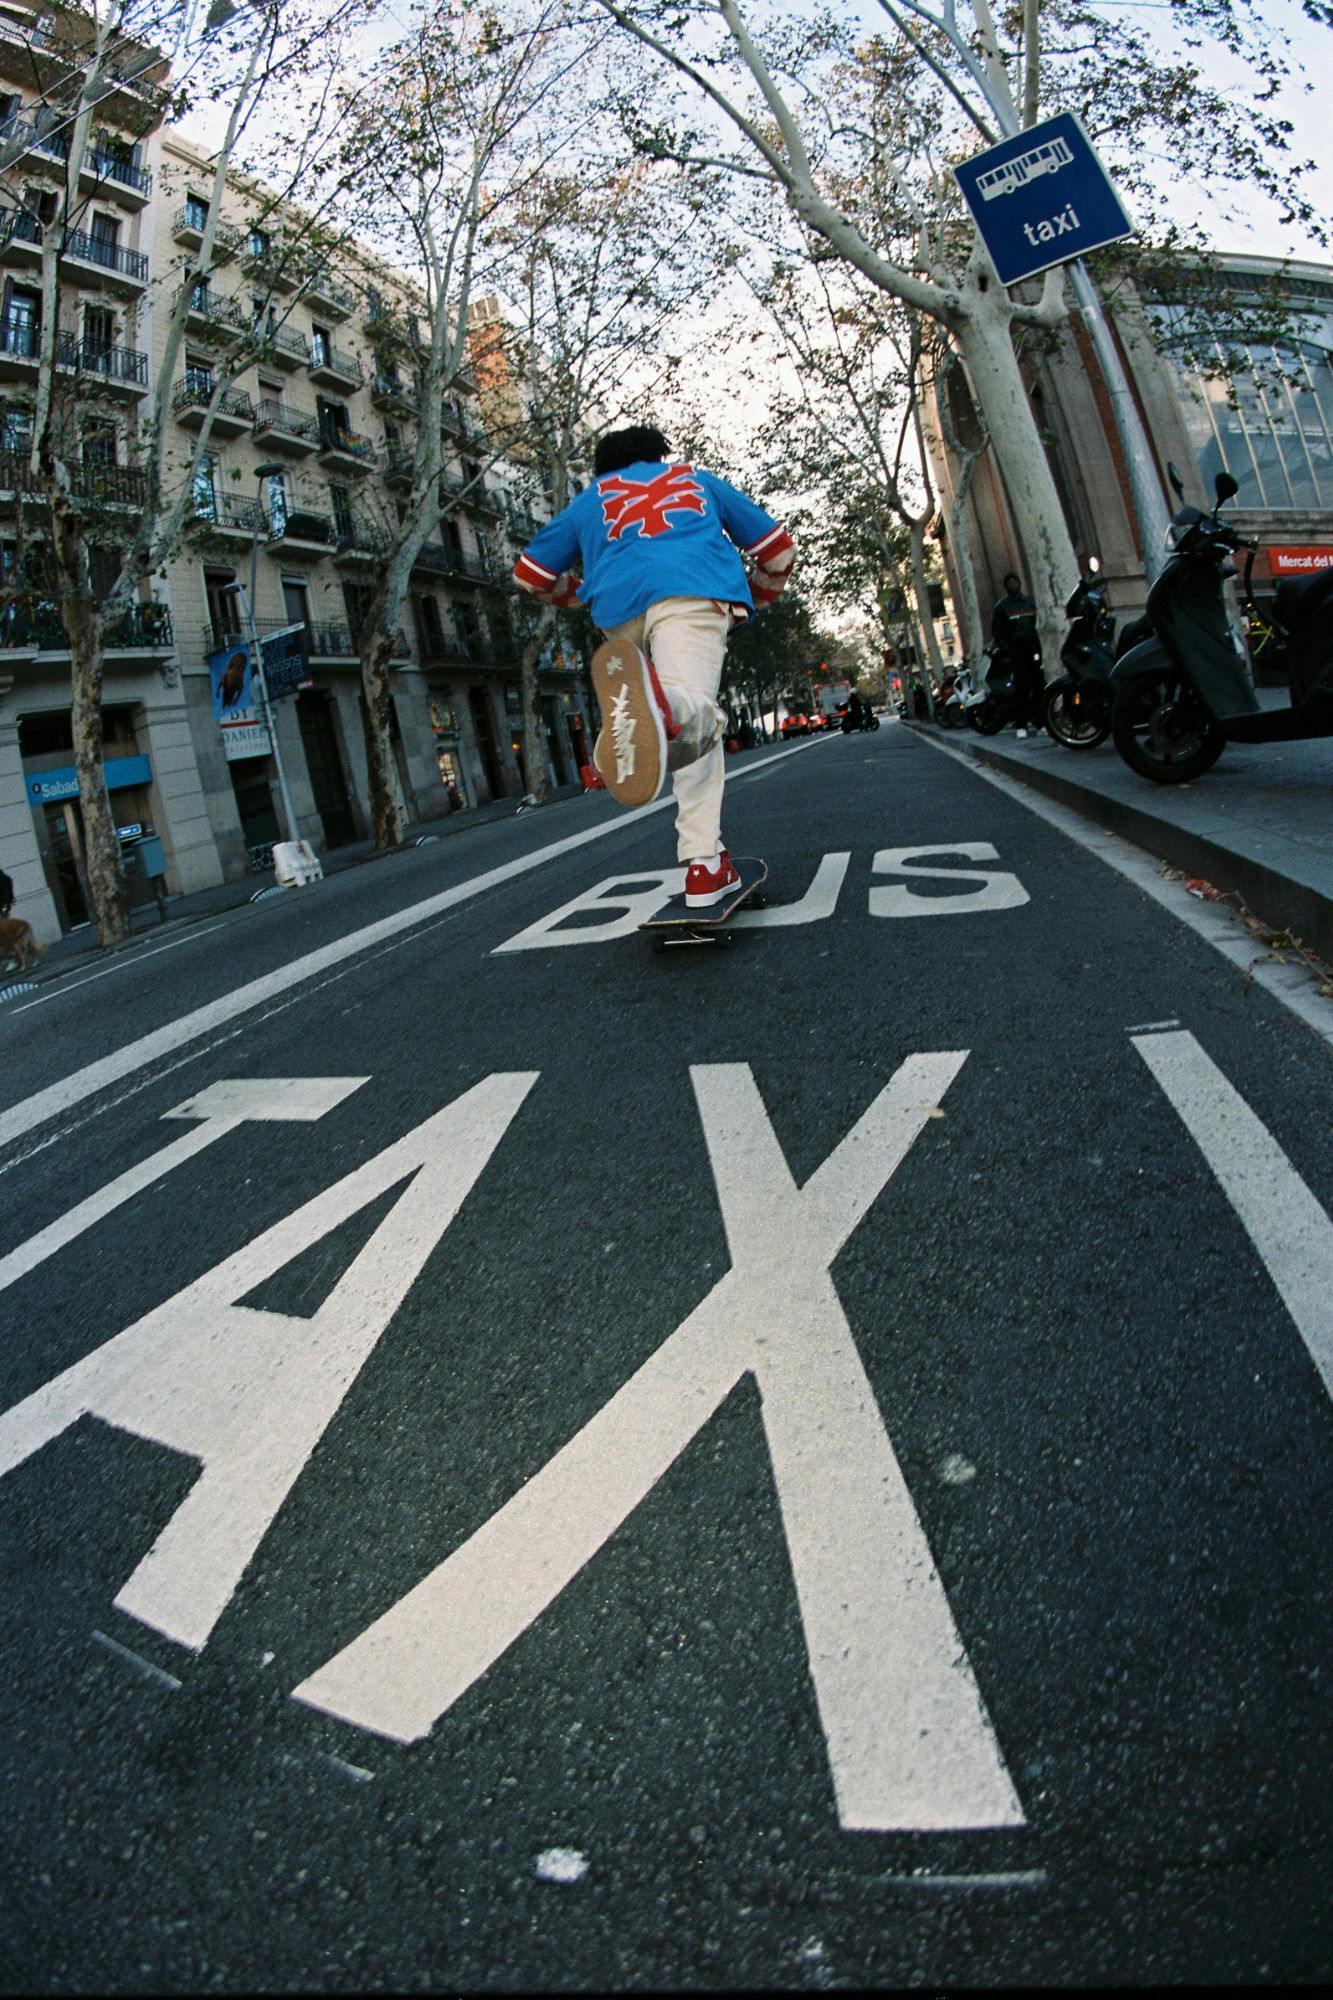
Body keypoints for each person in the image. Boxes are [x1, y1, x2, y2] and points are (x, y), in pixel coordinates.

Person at [513, 425, 796, 907]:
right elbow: (778, 551)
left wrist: (579, 597)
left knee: (669, 721)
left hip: (619, 613)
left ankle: (627, 733)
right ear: (660, 455)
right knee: (694, 718)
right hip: (693, 594)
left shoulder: (591, 499)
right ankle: (704, 864)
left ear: (605, 469)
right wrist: (760, 596)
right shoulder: (697, 480)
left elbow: (529, 576)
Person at [991, 571, 1044, 731]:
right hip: (1015, 654)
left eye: (1015, 581)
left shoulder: (1030, 603)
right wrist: (1008, 650)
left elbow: (1036, 625)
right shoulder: (1002, 607)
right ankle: (1021, 724)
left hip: (1033, 651)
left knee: (1038, 686)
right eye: (1010, 582)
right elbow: (997, 631)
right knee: (1020, 689)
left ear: (1019, 583)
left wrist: (1039, 650)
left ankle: (1040, 721)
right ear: (1006, 586)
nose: (1013, 585)